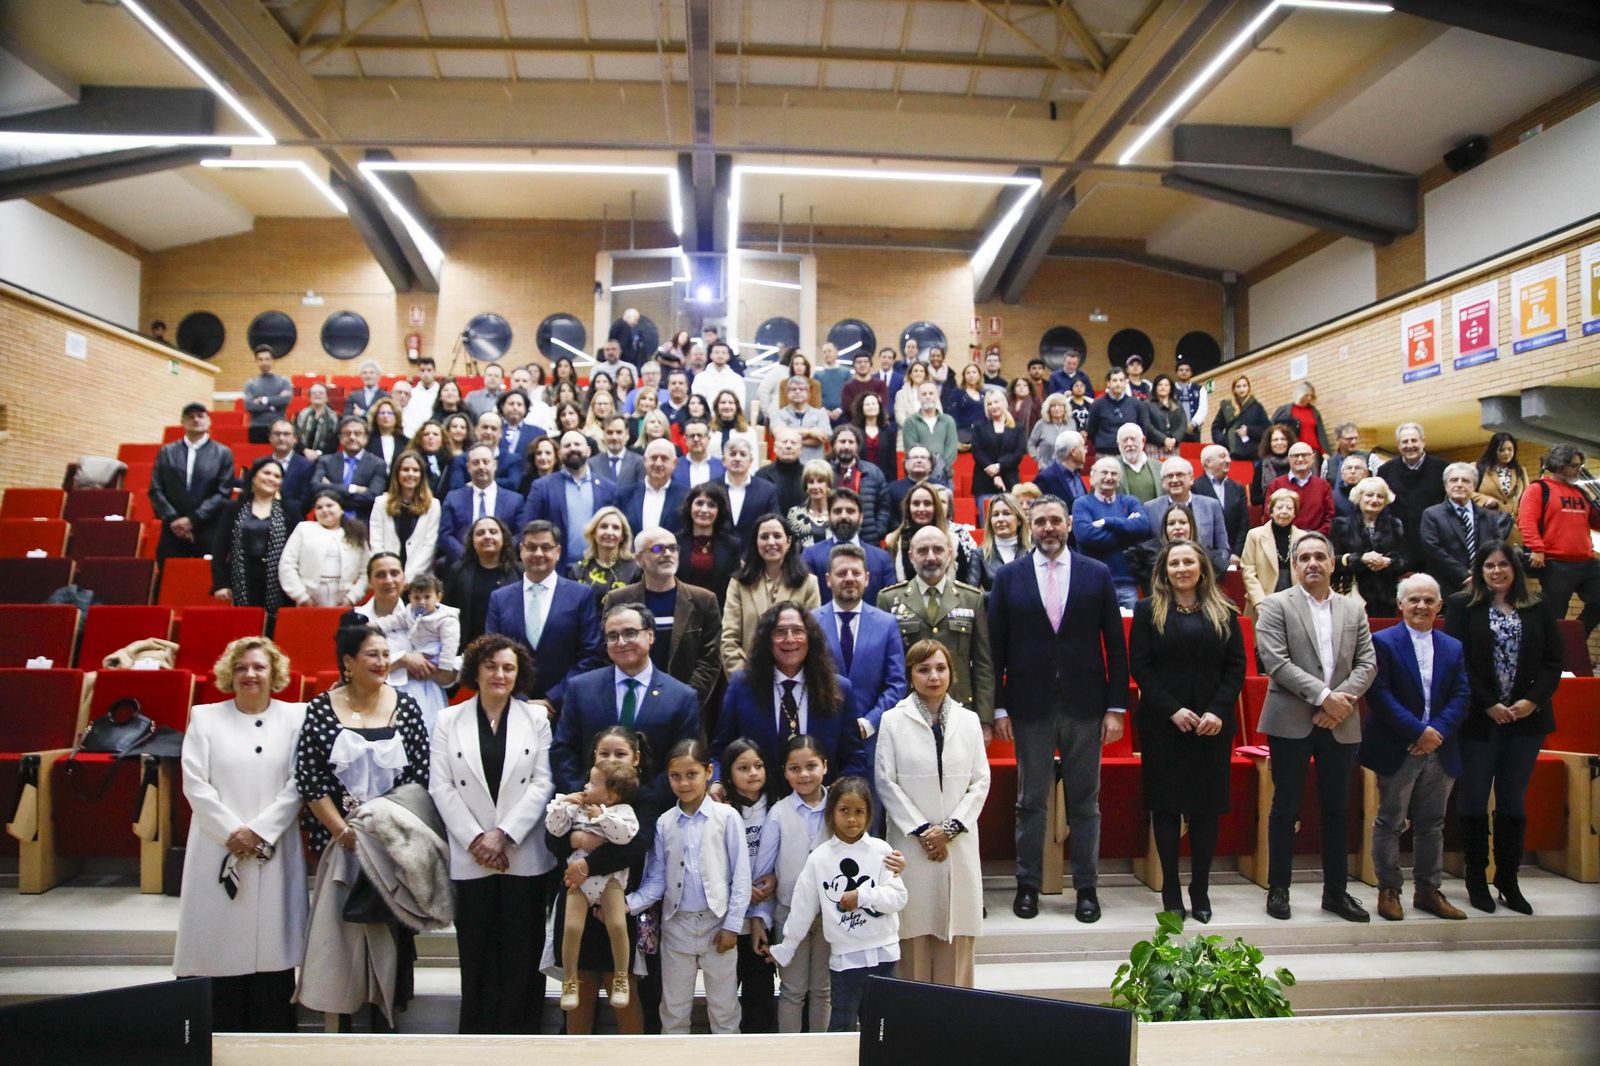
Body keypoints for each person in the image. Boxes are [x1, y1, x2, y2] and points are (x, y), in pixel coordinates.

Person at [989, 495, 1129, 923]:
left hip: (1086, 705)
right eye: (1040, 522)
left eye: (1055, 521)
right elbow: (994, 650)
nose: (1048, 528)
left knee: (1086, 802)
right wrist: (998, 708)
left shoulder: (1097, 573)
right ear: (1029, 526)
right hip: (1028, 707)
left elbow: (1115, 646)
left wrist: (1116, 707)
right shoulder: (1008, 577)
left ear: (1069, 524)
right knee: (1030, 800)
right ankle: (1027, 885)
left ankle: (1086, 888)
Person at [293, 622, 430, 1028]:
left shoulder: (405, 705)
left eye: (387, 655)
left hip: (391, 844)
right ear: (348, 662)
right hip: (341, 843)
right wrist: (343, 831)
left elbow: (418, 779)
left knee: (387, 934)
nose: (383, 662)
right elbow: (311, 780)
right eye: (373, 655)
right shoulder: (320, 708)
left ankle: (384, 1025)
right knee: (340, 937)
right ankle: (340, 1028)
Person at [174, 636, 307, 1032]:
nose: (250, 674)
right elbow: (195, 783)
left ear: (274, 673)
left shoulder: (296, 717)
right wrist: (234, 831)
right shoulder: (205, 717)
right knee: (218, 945)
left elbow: (300, 783)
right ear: (229, 674)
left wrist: (260, 831)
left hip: (273, 848)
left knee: (271, 950)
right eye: (242, 667)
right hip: (218, 847)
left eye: (259, 667)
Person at [427, 634, 555, 1033]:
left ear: (519, 674)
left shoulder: (536, 719)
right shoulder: (448, 719)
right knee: (477, 954)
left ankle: (523, 1040)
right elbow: (440, 786)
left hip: (523, 853)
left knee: (522, 954)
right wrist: (477, 840)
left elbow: (543, 782)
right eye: (491, 666)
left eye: (508, 668)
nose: (499, 674)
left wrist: (504, 834)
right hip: (472, 856)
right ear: (475, 670)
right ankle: (476, 1042)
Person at [1255, 531, 1377, 924]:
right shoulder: (1274, 605)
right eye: (1303, 557)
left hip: (1340, 722)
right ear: (1293, 565)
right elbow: (1275, 662)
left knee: (1337, 809)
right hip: (1291, 719)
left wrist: (1338, 704)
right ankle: (1278, 889)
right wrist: (1326, 698)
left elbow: (1367, 664)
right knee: (1285, 807)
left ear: (1331, 561)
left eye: (1319, 557)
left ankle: (1336, 893)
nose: (1311, 563)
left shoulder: (1353, 609)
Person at [1443, 543, 1562, 916]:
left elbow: (1553, 660)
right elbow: (1456, 660)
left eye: (1503, 565)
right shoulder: (1462, 605)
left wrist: (1532, 701)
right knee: (1475, 797)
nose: (1497, 572)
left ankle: (1507, 879)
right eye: (1489, 566)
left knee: (1513, 800)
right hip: (1481, 718)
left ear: (1515, 569)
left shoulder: (1537, 606)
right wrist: (1488, 704)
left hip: (1526, 720)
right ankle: (1476, 878)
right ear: (1479, 570)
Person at [1129, 542, 1245, 922]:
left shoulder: (1225, 610)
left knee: (1206, 810)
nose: (1181, 568)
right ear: (1164, 569)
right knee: (1166, 808)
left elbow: (1236, 668)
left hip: (1212, 727)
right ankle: (1171, 890)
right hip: (1165, 724)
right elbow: (1141, 667)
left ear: (1201, 568)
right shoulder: (1148, 610)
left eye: (1188, 561)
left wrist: (1217, 711)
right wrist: (1173, 710)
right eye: (1174, 562)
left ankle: (1200, 888)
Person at [875, 639, 988, 985]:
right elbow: (885, 782)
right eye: (923, 669)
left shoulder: (969, 721)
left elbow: (980, 781)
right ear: (911, 675)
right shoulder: (892, 721)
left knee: (957, 938)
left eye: (940, 668)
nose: (933, 676)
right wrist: (925, 831)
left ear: (952, 673)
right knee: (914, 936)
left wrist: (950, 829)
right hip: (913, 846)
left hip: (957, 844)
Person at [1360, 574, 1471, 923]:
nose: (1421, 606)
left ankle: (1427, 891)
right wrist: (1417, 731)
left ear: (1440, 605)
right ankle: (1389, 889)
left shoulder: (1453, 646)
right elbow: (1378, 694)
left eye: (1428, 600)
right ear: (1400, 604)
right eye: (1414, 600)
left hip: (1441, 746)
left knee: (1432, 823)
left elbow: (1462, 695)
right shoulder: (1382, 642)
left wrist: (1436, 731)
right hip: (1399, 745)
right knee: (1391, 820)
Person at [626, 738, 751, 1035]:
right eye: (675, 776)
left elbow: (741, 877)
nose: (683, 783)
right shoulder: (664, 823)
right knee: (674, 1010)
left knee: (724, 1010)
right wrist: (626, 904)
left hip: (717, 922)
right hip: (677, 925)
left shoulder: (727, 817)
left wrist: (732, 926)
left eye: (691, 774)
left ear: (708, 772)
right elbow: (656, 881)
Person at [765, 776, 905, 1032]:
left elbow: (898, 898)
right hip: (845, 959)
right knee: (841, 1023)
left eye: (859, 812)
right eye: (844, 811)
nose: (852, 819)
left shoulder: (882, 850)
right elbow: (802, 907)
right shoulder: (819, 858)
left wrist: (862, 896)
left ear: (869, 814)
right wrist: (788, 945)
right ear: (831, 814)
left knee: (884, 1026)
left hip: (885, 954)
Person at [877, 525, 996, 732]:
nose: (930, 557)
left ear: (950, 554)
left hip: (960, 709)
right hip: (905, 710)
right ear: (911, 555)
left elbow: (982, 664)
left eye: (938, 550)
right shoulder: (888, 600)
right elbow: (881, 666)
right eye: (922, 551)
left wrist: (984, 720)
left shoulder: (971, 599)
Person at [547, 758, 640, 1011]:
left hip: (609, 880)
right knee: (572, 927)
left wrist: (602, 817)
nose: (585, 786)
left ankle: (621, 976)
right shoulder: (577, 809)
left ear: (611, 795)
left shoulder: (623, 812)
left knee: (618, 924)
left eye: (593, 783)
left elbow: (624, 837)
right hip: (579, 881)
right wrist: (563, 805)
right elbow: (554, 830)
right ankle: (569, 979)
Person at [604, 529, 724, 715]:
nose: (667, 554)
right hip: (630, 701)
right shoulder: (618, 599)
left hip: (685, 706)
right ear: (639, 559)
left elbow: (710, 660)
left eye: (673, 548)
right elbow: (608, 651)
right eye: (658, 548)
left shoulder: (704, 600)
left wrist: (684, 701)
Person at [485, 520, 604, 706]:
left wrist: (552, 698)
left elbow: (590, 655)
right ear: (521, 551)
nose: (538, 554)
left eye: (546, 547)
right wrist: (521, 699)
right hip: (512, 704)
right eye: (531, 548)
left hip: (565, 707)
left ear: (557, 552)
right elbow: (491, 653)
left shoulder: (581, 595)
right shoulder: (500, 598)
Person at [814, 544, 908, 766]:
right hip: (824, 740)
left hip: (874, 739)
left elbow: (896, 684)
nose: (849, 578)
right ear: (828, 579)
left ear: (866, 578)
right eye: (841, 573)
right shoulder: (811, 622)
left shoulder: (887, 624)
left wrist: (870, 722)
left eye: (855, 573)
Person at [360, 560, 459, 736]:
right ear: (369, 580)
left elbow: (448, 664)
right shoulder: (360, 618)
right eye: (380, 574)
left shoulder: (445, 618)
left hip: (429, 686)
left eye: (394, 573)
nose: (388, 580)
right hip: (381, 695)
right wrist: (403, 660)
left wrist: (442, 668)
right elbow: (355, 669)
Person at [720, 514, 822, 676]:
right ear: (756, 543)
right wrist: (745, 679)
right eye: (764, 537)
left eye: (777, 536)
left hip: (794, 678)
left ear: (788, 542)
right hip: (750, 679)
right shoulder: (739, 584)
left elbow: (813, 637)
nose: (771, 542)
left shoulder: (808, 583)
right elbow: (729, 639)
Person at [1518, 443, 1600, 636]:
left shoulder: (1582, 492)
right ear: (1558, 465)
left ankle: (1574, 637)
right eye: (1574, 465)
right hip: (1555, 563)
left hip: (1586, 561)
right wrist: (1536, 548)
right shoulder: (1539, 489)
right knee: (1555, 615)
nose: (1578, 470)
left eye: (1580, 465)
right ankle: (1553, 656)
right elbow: (1527, 520)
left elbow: (1594, 522)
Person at [521, 430, 621, 572]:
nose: (573, 448)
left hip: (598, 568)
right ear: (559, 454)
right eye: (567, 445)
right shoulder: (542, 486)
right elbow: (528, 526)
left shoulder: (608, 487)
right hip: (557, 568)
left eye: (577, 444)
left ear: (588, 450)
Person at [150, 402, 235, 561]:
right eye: (190, 417)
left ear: (209, 421)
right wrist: (175, 519)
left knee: (207, 580)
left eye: (200, 416)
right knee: (170, 579)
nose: (196, 420)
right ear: (182, 422)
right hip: (173, 529)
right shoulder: (167, 451)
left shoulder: (223, 453)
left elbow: (223, 492)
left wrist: (192, 519)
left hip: (208, 528)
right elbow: (156, 489)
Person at [210, 456, 290, 615]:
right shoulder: (233, 508)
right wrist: (220, 584)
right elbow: (219, 548)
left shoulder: (290, 510)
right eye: (266, 473)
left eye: (277, 476)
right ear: (253, 476)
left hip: (280, 582)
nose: (271, 478)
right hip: (242, 577)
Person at [1071, 456, 1151, 611]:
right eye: (1104, 473)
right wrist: (1127, 529)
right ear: (1093, 476)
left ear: (1119, 479)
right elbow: (1087, 537)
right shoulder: (1081, 503)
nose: (1109, 477)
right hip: (1093, 583)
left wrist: (1108, 522)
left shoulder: (1130, 502)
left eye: (1114, 474)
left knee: (1130, 632)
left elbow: (1143, 527)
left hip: (1127, 583)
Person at [1420, 462, 1511, 595]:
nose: (1459, 484)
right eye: (1454, 480)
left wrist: (1481, 576)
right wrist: (1465, 575)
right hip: (1446, 587)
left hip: (1484, 587)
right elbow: (1433, 549)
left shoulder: (1489, 516)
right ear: (1446, 485)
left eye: (1466, 480)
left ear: (1474, 486)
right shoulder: (1432, 514)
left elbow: (1497, 548)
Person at [802, 488, 897, 606]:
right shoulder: (811, 555)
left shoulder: (882, 558)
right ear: (829, 516)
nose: (843, 516)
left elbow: (891, 603)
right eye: (837, 511)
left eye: (850, 511)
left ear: (861, 517)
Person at [438, 443, 526, 566]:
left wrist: (498, 554)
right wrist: (468, 557)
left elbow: (520, 534)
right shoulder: (453, 498)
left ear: (495, 465)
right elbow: (444, 535)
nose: (481, 466)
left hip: (503, 566)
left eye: (485, 462)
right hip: (462, 567)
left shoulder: (515, 500)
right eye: (476, 463)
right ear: (468, 467)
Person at [1332, 476, 1409, 617]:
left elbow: (1405, 559)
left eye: (1380, 496)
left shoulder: (1395, 524)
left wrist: (1388, 561)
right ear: (1359, 497)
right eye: (1369, 495)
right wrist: (1360, 559)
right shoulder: (1340, 525)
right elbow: (1332, 561)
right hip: (1351, 595)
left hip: (1386, 597)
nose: (1374, 500)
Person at [277, 490, 369, 607]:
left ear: (341, 509)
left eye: (330, 505)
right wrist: (301, 597)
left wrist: (351, 598)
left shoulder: (356, 532)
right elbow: (287, 564)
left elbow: (367, 571)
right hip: (309, 599)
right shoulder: (303, 529)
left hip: (344, 599)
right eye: (319, 507)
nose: (324, 510)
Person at [1144, 456, 1232, 574]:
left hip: (1207, 574)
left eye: (1180, 475)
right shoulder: (1150, 508)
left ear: (1191, 478)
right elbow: (1147, 548)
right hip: (1165, 575)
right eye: (1169, 476)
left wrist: (1212, 567)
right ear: (1163, 483)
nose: (1174, 480)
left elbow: (1223, 547)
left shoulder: (1211, 505)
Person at [443, 516, 519, 647]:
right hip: (467, 648)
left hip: (510, 649)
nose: (487, 536)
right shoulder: (458, 571)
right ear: (472, 541)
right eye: (480, 533)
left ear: (504, 538)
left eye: (493, 532)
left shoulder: (519, 571)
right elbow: (447, 613)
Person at [1379, 422, 1449, 562]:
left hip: (1436, 543)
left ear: (1423, 442)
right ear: (1398, 445)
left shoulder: (1442, 469)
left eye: (1414, 440)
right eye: (1405, 441)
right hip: (1400, 546)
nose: (1410, 445)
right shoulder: (1385, 471)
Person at [368, 452, 440, 582]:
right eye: (405, 470)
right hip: (387, 577)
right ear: (397, 473)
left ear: (422, 475)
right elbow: (376, 542)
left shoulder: (433, 505)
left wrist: (407, 578)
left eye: (416, 470)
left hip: (419, 578)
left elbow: (430, 545)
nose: (410, 474)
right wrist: (390, 574)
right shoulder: (381, 503)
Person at [1240, 489, 1308, 620]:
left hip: (1295, 604)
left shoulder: (1303, 538)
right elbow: (1248, 570)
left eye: (1289, 508)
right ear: (1271, 511)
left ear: (1295, 513)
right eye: (1279, 507)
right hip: (1261, 602)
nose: (1284, 512)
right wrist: (1259, 602)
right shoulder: (1255, 535)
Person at [673, 482, 742, 605]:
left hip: (719, 613)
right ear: (690, 507)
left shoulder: (732, 545)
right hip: (682, 611)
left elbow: (734, 587)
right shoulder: (674, 543)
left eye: (711, 505)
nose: (704, 510)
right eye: (699, 503)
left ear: (719, 511)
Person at [312, 416, 388, 522]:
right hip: (327, 523)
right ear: (340, 438)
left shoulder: (378, 464)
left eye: (357, 433)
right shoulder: (326, 461)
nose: (352, 437)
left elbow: (373, 497)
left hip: (362, 523)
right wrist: (353, 489)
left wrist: (330, 488)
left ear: (366, 438)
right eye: (347, 433)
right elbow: (315, 487)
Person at [828, 424, 891, 544]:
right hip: (833, 538)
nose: (846, 446)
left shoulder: (873, 472)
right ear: (834, 445)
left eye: (851, 442)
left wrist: (879, 530)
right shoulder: (825, 471)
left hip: (868, 538)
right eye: (842, 441)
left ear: (857, 446)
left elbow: (884, 505)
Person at [619, 438, 689, 540]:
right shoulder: (626, 495)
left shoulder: (686, 497)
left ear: (674, 463)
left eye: (664, 458)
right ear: (645, 460)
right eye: (654, 458)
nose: (658, 463)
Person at [714, 435, 779, 544]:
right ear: (724, 460)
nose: (737, 458)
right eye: (733, 454)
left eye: (743, 454)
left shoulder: (767, 490)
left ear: (750, 461)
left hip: (754, 556)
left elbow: (774, 524)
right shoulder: (711, 488)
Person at [570, 505, 641, 601]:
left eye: (615, 528)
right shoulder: (578, 571)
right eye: (604, 527)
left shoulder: (635, 570)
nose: (609, 532)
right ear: (593, 533)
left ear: (622, 536)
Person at [971, 388, 1026, 512]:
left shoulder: (1018, 427)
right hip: (984, 482)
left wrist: (999, 466)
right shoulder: (979, 427)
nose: (993, 406)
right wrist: (994, 473)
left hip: (1010, 481)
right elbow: (977, 451)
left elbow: (1018, 453)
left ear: (1003, 403)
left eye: (996, 402)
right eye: (989, 404)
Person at [1193, 443, 1249, 559]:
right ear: (1208, 462)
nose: (1228, 460)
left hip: (1233, 553)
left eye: (1229, 456)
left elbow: (1243, 523)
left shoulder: (1238, 488)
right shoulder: (1195, 487)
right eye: (1223, 456)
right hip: (1204, 553)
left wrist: (1236, 553)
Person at [901, 382, 959, 484]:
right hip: (919, 475)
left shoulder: (948, 420)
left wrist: (940, 467)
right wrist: (926, 466)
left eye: (931, 393)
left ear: (937, 396)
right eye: (924, 394)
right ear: (918, 397)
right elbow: (911, 448)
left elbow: (952, 448)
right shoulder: (911, 421)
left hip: (945, 476)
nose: (928, 397)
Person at [769, 375, 832, 464]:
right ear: (787, 392)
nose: (797, 392)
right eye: (793, 389)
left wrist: (789, 440)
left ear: (808, 392)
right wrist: (810, 432)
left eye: (801, 389)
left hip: (814, 466)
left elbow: (824, 437)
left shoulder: (821, 414)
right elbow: (780, 434)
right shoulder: (777, 414)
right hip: (787, 465)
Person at [1210, 374, 1269, 461]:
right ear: (1234, 389)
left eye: (1244, 386)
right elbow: (1216, 427)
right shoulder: (1227, 407)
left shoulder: (1257, 407)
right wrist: (1223, 441)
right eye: (1238, 386)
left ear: (1248, 387)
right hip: (1232, 453)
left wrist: (1249, 430)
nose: (1242, 389)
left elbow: (1267, 429)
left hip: (1253, 453)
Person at [1086, 367, 1142, 457]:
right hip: (1104, 452)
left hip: (1129, 453)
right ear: (1108, 383)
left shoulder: (1136, 404)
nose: (1118, 384)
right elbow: (1091, 431)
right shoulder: (1097, 404)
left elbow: (1142, 428)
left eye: (1121, 380)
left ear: (1126, 382)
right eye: (1114, 380)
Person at [243, 345, 293, 443]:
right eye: (260, 359)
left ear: (272, 360)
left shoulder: (283, 381)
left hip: (279, 428)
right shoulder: (250, 383)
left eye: (267, 359)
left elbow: (285, 400)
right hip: (257, 427)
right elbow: (249, 406)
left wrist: (263, 400)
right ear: (256, 361)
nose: (264, 362)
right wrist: (274, 406)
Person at [1473, 432, 1527, 520]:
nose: (1506, 453)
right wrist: (1484, 500)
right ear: (1493, 450)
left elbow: (1526, 498)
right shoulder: (1478, 468)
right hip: (1485, 521)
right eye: (1502, 450)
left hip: (1512, 524)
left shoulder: (1520, 471)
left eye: (1510, 449)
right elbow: (1466, 492)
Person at [1273, 381, 1333, 457]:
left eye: (1311, 396)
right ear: (1300, 395)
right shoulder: (1285, 410)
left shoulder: (1314, 412)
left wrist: (1324, 452)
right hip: (1294, 452)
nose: (1309, 398)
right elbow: (1273, 431)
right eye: (1307, 395)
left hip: (1312, 452)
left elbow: (1321, 434)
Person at [786, 459, 835, 550]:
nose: (815, 486)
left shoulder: (838, 513)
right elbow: (789, 549)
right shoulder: (794, 514)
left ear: (828, 484)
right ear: (806, 486)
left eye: (820, 481)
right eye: (811, 482)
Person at [1034, 429, 1089, 507]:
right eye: (1083, 447)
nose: (1086, 451)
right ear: (1073, 451)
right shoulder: (1046, 478)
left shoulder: (1076, 474)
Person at [851, 393, 897, 485]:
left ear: (879, 407)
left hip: (884, 479)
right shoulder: (855, 431)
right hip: (860, 479)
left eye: (874, 403)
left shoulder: (888, 431)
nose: (871, 407)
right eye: (867, 404)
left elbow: (892, 461)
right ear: (861, 408)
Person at [1142, 374, 1186, 458]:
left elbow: (1183, 425)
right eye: (1160, 385)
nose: (1163, 387)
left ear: (1170, 388)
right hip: (1154, 446)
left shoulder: (1177, 404)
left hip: (1173, 445)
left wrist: (1174, 440)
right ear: (1155, 387)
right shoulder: (1147, 404)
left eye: (1166, 385)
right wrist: (1164, 440)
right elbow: (1147, 425)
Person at [672, 421, 724, 489]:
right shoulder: (675, 466)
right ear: (685, 440)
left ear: (708, 439)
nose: (696, 439)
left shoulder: (722, 466)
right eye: (691, 436)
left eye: (700, 435)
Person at [1115, 423, 1160, 503]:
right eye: (1125, 440)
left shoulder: (1159, 467)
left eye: (1133, 439)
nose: (1129, 444)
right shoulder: (1110, 469)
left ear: (1143, 440)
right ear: (1118, 445)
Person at [1253, 423, 1295, 507]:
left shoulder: (1297, 463)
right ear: (1269, 443)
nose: (1279, 443)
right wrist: (1276, 496)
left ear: (1288, 442)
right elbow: (1254, 499)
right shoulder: (1261, 466)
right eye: (1275, 440)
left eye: (1283, 439)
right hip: (1271, 513)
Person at [296, 384, 341, 460]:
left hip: (325, 457)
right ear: (310, 397)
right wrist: (305, 450)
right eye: (314, 392)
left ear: (327, 397)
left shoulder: (335, 417)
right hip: (301, 455)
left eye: (321, 392)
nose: (317, 394)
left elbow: (334, 441)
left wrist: (318, 453)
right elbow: (295, 437)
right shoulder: (299, 415)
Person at [365, 397, 409, 474]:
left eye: (390, 413)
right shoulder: (367, 440)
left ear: (396, 417)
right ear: (375, 417)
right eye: (382, 413)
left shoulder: (405, 442)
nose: (386, 416)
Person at [1029, 392, 1071, 470]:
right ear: (1048, 409)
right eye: (1053, 406)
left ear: (1065, 408)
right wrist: (1038, 459)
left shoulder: (1071, 423)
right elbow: (1031, 444)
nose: (1057, 408)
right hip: (1046, 468)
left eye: (1060, 405)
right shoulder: (1041, 424)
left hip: (1067, 468)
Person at [403, 357, 440, 437]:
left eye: (429, 370)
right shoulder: (410, 393)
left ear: (435, 372)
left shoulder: (441, 394)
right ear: (418, 373)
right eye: (422, 370)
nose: (426, 373)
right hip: (411, 436)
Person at [1172, 360, 1207, 442]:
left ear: (1191, 373)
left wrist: (1193, 424)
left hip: (1194, 431)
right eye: (1181, 370)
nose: (1184, 372)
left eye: (1187, 370)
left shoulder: (1200, 389)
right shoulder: (1171, 389)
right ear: (1176, 372)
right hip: (1175, 431)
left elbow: (1203, 409)